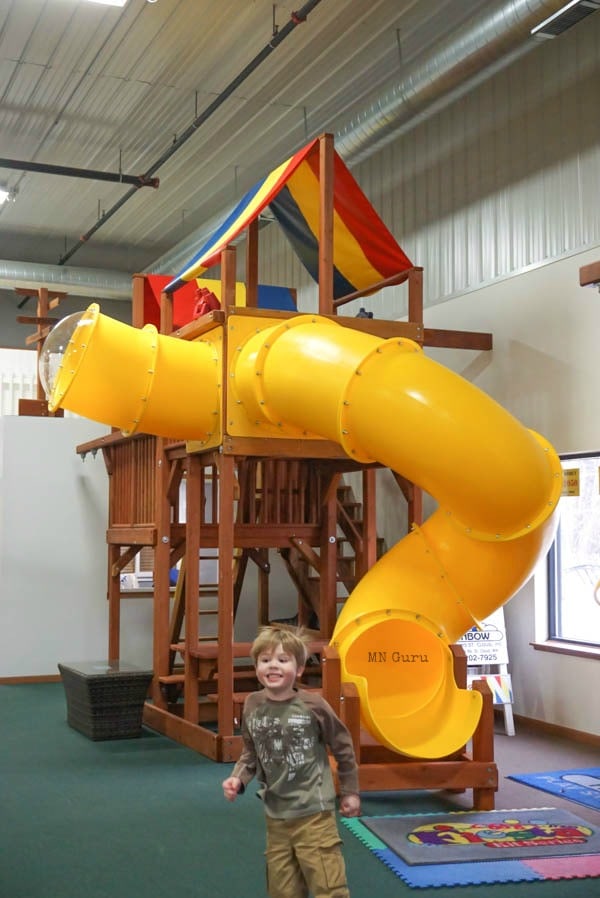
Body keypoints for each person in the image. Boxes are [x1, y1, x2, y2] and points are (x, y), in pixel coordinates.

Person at [222, 625, 361, 898]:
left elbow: (343, 746)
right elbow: (251, 752)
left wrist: (350, 790)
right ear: (256, 666)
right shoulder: (252, 705)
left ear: (298, 669)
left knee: (328, 887)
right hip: (276, 815)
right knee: (283, 890)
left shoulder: (314, 706)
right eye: (265, 660)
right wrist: (237, 778)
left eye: (282, 660)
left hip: (314, 812)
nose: (273, 666)